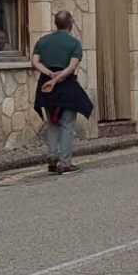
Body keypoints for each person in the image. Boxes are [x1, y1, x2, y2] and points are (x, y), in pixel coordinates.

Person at [31, 10, 92, 174]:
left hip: (45, 85)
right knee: (67, 123)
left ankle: (52, 156)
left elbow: (35, 62)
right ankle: (65, 163)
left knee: (52, 121)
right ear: (70, 24)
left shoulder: (42, 41)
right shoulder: (74, 43)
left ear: (56, 23)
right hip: (66, 85)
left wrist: (49, 75)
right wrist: (58, 78)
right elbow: (72, 67)